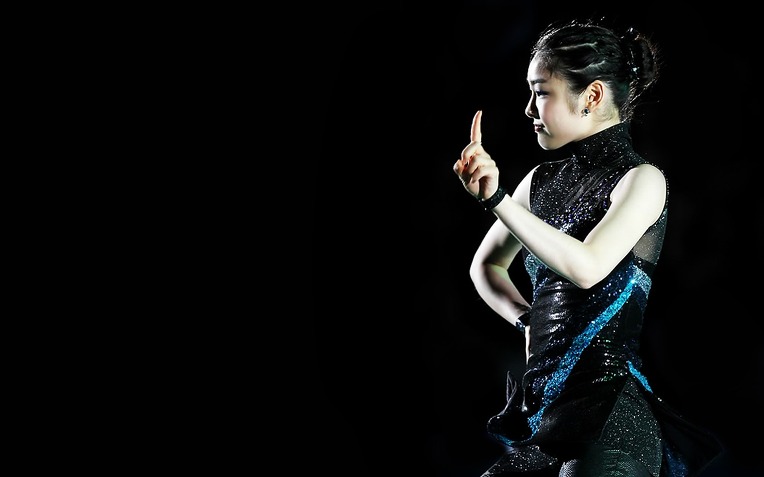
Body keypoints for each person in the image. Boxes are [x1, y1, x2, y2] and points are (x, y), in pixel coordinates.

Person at [452, 18, 724, 477]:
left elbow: (588, 267)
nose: (528, 108)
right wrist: (525, 318)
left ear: (592, 96)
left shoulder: (642, 180)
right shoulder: (539, 181)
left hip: (610, 422)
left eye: (541, 92)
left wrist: (498, 200)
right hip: (546, 419)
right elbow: (486, 266)